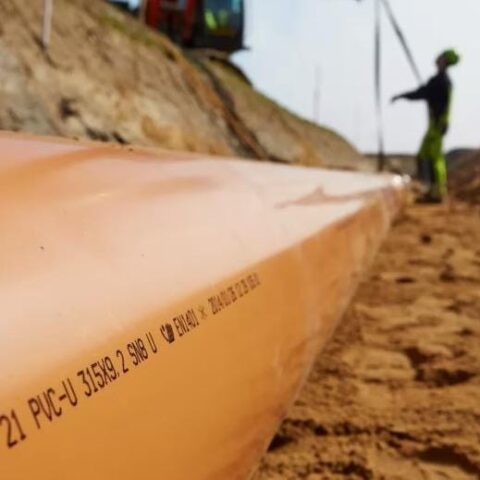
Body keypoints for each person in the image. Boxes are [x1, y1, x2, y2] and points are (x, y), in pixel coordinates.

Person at [392, 49, 460, 202]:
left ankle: (437, 193)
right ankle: (429, 189)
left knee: (435, 159)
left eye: (441, 56)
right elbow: (424, 92)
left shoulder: (442, 82)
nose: (438, 57)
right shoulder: (439, 80)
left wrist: (403, 96)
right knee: (424, 156)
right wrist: (403, 96)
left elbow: (422, 93)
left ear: (445, 61)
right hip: (434, 125)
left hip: (437, 125)